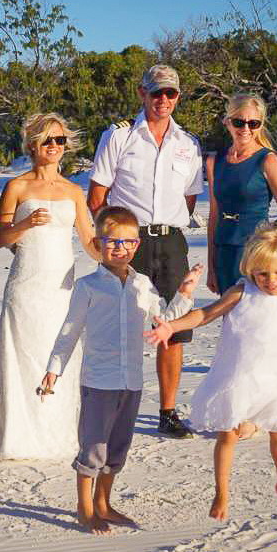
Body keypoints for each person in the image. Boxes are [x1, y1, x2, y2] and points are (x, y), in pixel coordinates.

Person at [147, 226, 277, 522]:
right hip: (239, 377)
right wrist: (172, 326)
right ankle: (222, 492)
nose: (270, 280)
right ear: (251, 270)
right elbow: (206, 314)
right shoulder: (242, 292)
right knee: (227, 434)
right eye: (262, 273)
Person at [40, 206, 202, 534]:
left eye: (128, 243)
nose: (121, 249)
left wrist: (184, 293)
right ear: (99, 244)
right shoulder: (88, 287)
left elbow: (164, 318)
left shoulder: (142, 284)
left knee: (117, 448)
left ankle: (104, 502)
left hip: (131, 381)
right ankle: (85, 509)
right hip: (99, 381)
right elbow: (69, 331)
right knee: (94, 447)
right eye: (113, 242)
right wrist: (53, 370)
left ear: (137, 246)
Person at [86, 64, 204, 439]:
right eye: (156, 93)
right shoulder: (119, 136)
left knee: (173, 327)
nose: (163, 100)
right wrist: (115, 242)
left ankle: (167, 412)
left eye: (170, 93)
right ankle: (114, 405)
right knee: (121, 324)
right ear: (142, 94)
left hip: (170, 241)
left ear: (178, 97)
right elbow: (97, 198)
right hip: (127, 243)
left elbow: (189, 198)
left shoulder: (189, 144)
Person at [0, 113, 100, 461]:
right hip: (26, 284)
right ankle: (19, 438)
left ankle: (58, 432)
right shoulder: (17, 186)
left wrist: (116, 260)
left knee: (60, 352)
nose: (54, 146)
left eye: (60, 140)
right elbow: (0, 238)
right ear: (33, 145)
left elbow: (88, 239)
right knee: (25, 354)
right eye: (47, 140)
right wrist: (25, 223)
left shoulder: (73, 190)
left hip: (62, 287)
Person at [205, 93, 277, 440]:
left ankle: (260, 413)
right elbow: (214, 214)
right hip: (226, 251)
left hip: (257, 260)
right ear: (227, 121)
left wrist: (264, 242)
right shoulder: (215, 160)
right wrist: (212, 264)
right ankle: (236, 408)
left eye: (253, 123)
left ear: (260, 125)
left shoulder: (267, 160)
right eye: (239, 121)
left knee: (262, 333)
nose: (245, 128)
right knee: (234, 332)